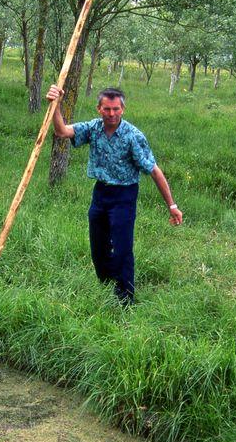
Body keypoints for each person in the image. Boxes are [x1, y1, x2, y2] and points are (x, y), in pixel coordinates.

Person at [46, 84, 183, 305]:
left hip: (124, 196)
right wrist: (56, 105)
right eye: (107, 109)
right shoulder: (93, 128)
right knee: (98, 249)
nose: (112, 114)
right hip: (100, 194)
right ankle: (107, 287)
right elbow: (62, 131)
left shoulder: (133, 136)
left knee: (122, 249)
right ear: (99, 108)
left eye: (116, 109)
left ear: (123, 109)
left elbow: (154, 170)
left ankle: (125, 299)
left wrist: (172, 206)